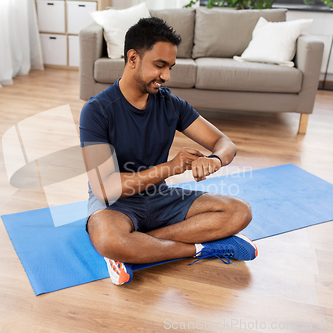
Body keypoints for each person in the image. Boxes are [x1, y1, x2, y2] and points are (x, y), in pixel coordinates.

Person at [79, 17, 257, 286]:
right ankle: (199, 248)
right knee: (109, 238)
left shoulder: (171, 104)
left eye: (170, 67)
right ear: (133, 58)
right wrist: (172, 167)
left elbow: (225, 143)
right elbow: (106, 189)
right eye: (159, 65)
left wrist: (215, 159)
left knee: (239, 212)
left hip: (159, 198)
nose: (166, 76)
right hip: (116, 205)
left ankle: (135, 248)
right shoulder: (97, 110)